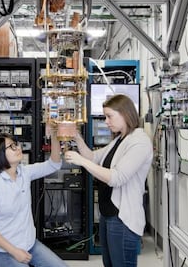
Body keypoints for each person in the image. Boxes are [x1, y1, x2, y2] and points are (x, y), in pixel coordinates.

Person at [64, 94, 153, 267]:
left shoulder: (139, 142)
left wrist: (80, 161)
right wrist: (77, 137)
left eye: (109, 116)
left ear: (125, 114)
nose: (106, 121)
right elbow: (93, 157)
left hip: (123, 218)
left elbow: (116, 178)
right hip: (108, 214)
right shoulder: (120, 139)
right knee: (109, 264)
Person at [0, 129, 68, 267]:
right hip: (1, 252)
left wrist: (55, 136)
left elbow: (53, 164)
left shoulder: (24, 172)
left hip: (29, 244)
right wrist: (14, 251)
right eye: (12, 146)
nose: (18, 148)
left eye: (17, 144)